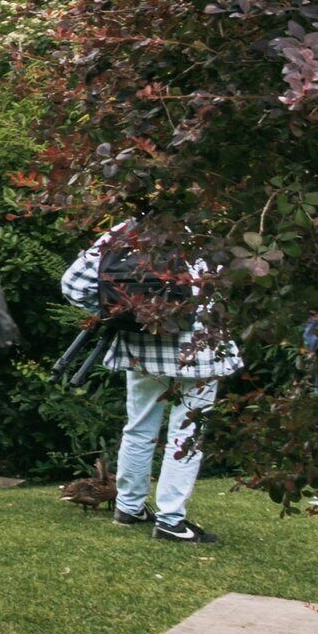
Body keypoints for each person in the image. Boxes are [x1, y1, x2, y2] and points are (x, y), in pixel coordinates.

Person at [62, 221, 240, 543]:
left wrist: (119, 315)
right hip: (200, 346)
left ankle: (129, 507)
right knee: (187, 434)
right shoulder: (203, 228)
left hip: (142, 345)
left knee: (139, 427)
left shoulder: (128, 230)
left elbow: (73, 285)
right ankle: (170, 520)